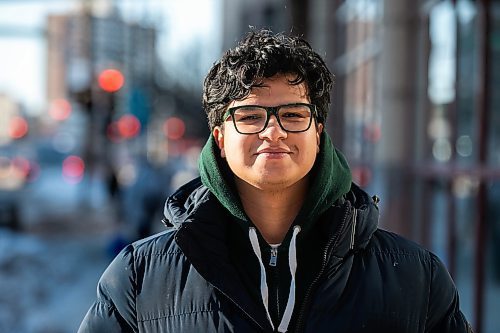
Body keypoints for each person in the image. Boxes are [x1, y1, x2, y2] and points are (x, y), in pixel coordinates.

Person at [79, 29, 473, 332]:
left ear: (317, 132)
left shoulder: (414, 277)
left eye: (293, 115)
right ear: (219, 136)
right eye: (250, 116)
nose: (274, 132)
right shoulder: (139, 279)